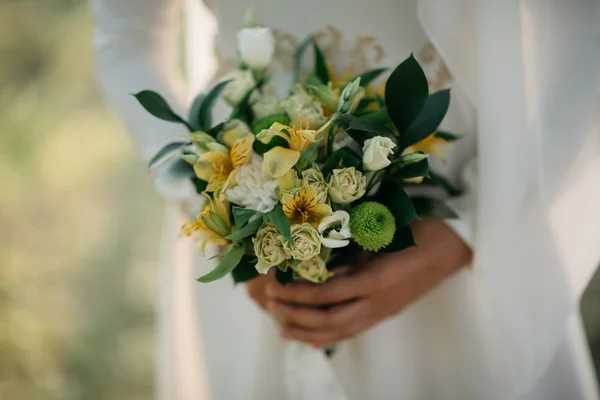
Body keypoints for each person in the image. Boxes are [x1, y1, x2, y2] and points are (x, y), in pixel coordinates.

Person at [90, 0, 600, 399]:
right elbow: (127, 39)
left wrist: (466, 234)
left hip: (474, 235)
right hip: (249, 241)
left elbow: (587, 48)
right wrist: (213, 208)